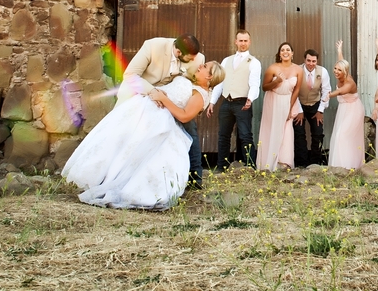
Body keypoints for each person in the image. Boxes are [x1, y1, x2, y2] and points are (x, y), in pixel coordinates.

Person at [62, 62, 225, 210]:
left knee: (134, 152)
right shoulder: (192, 84)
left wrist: (162, 98)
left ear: (210, 76)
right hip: (144, 108)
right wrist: (160, 92)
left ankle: (117, 185)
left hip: (158, 119)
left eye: (204, 67)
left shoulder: (200, 95)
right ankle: (98, 178)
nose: (200, 66)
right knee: (118, 143)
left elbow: (184, 116)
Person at [118, 34, 205, 189]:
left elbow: (203, 86)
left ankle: (195, 177)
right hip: (140, 94)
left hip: (170, 102)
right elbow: (130, 75)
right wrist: (152, 91)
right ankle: (124, 174)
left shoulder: (198, 59)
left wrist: (199, 105)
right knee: (128, 134)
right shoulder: (152, 46)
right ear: (178, 52)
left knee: (189, 129)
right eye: (190, 58)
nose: (193, 61)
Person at [210, 30, 261, 170]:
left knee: (245, 135)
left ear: (249, 42)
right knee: (223, 136)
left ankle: (250, 166)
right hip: (227, 102)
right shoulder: (226, 60)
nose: (243, 43)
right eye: (240, 40)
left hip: (242, 102)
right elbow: (220, 83)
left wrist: (250, 99)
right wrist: (212, 102)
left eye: (245, 41)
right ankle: (222, 167)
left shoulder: (254, 62)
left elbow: (254, 84)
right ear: (235, 42)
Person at [257, 43, 303, 171]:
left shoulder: (298, 69)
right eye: (282, 50)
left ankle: (284, 162)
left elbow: (297, 90)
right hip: (273, 101)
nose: (285, 52)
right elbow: (264, 87)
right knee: (272, 130)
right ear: (279, 53)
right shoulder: (272, 68)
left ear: (292, 53)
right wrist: (276, 82)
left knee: (287, 131)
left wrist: (290, 107)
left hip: (288, 101)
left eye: (288, 49)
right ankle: (269, 163)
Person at [327, 40, 364, 169]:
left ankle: (346, 166)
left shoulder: (350, 83)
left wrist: (329, 95)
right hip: (343, 109)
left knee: (341, 136)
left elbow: (341, 91)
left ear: (345, 72)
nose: (336, 71)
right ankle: (339, 165)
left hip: (354, 110)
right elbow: (342, 62)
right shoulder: (342, 71)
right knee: (340, 135)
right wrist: (339, 51)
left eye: (339, 70)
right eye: (335, 68)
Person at [292, 48, 332, 167]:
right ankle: (301, 162)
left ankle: (316, 162)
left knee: (318, 133)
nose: (311, 64)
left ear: (317, 61)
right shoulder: (297, 70)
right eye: (308, 61)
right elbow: (293, 91)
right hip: (299, 104)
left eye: (313, 61)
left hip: (315, 105)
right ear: (304, 60)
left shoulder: (322, 71)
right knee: (299, 134)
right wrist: (299, 110)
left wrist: (320, 111)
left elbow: (326, 91)